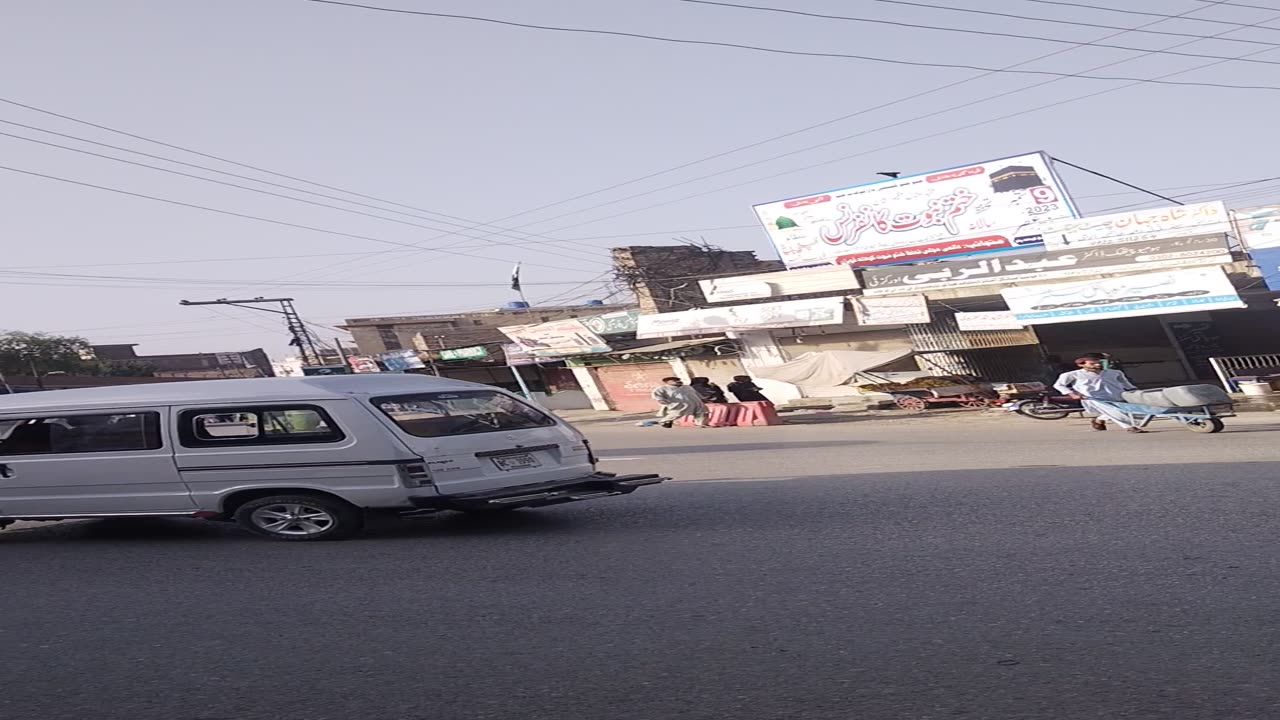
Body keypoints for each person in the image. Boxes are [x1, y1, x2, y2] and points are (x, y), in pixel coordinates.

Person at [1054, 356, 1144, 433]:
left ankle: (1098, 420)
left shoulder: (1114, 373)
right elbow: (1059, 385)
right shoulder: (1072, 375)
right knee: (1114, 411)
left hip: (1116, 395)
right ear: (1081, 365)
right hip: (1093, 398)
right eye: (1092, 364)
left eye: (1098, 363)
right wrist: (1072, 394)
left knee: (1122, 410)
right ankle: (1129, 427)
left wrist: (1133, 389)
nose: (1097, 365)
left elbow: (1124, 382)